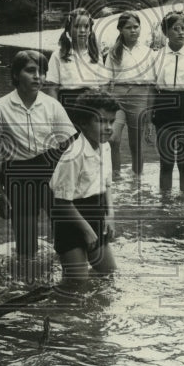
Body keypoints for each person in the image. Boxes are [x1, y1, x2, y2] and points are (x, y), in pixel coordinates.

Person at [0, 50, 77, 276]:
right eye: (31, 71)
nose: (38, 77)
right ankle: (28, 284)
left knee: (65, 232)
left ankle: (65, 280)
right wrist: (0, 195)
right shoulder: (0, 107)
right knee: (25, 246)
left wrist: (68, 179)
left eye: (42, 72)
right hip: (17, 174)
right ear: (16, 75)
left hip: (50, 171)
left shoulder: (52, 105)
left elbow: (71, 142)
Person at [49, 90, 120, 285]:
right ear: (83, 122)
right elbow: (61, 202)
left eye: (111, 122)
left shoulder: (105, 146)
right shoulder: (74, 154)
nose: (108, 128)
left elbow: (107, 184)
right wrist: (87, 230)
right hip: (71, 220)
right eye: (101, 121)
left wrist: (110, 215)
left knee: (109, 273)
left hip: (95, 212)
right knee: (77, 282)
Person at [149, 10, 184, 194]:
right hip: (163, 105)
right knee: (166, 161)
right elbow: (151, 89)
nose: (181, 32)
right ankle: (165, 204)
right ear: (166, 32)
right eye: (176, 28)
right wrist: (149, 118)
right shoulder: (157, 56)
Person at [104, 11, 156, 179]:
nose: (133, 30)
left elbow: (152, 85)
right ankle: (115, 177)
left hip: (139, 97)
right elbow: (106, 81)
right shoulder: (113, 51)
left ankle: (137, 178)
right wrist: (104, 107)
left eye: (136, 27)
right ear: (120, 29)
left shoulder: (148, 52)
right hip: (117, 97)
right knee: (113, 138)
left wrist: (149, 113)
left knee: (136, 144)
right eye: (128, 27)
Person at [45, 7, 109, 122]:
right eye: (77, 26)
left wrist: (101, 110)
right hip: (68, 107)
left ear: (90, 29)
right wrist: (56, 113)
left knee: (90, 139)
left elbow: (103, 86)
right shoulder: (58, 55)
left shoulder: (96, 55)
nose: (82, 30)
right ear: (69, 29)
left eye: (86, 26)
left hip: (92, 106)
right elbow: (52, 89)